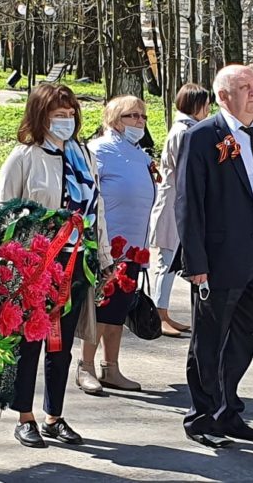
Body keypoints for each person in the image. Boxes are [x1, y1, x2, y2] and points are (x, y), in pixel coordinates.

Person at [177, 64, 253, 448]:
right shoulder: (204, 136)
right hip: (220, 258)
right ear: (223, 96)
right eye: (245, 86)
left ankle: (228, 409)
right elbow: (189, 203)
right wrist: (195, 263)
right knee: (210, 340)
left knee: (243, 338)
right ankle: (201, 416)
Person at [0, 83, 113, 448]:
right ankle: (24, 415)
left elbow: (97, 209)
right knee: (31, 341)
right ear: (40, 116)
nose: (65, 121)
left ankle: (54, 414)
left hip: (76, 263)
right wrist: (8, 265)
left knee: (60, 344)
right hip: (35, 266)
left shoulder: (83, 155)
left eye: (69, 114)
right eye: (57, 115)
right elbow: (2, 214)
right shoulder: (24, 157)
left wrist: (105, 257)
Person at [79, 95, 157, 394]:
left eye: (142, 117)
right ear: (114, 119)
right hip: (107, 243)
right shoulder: (99, 150)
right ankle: (85, 366)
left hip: (134, 244)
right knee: (100, 308)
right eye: (132, 116)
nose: (140, 122)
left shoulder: (140, 154)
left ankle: (111, 367)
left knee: (119, 310)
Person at [149, 83, 212, 337]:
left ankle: (164, 313)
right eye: (206, 104)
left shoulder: (188, 129)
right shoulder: (183, 132)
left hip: (179, 203)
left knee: (173, 261)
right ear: (195, 105)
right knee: (166, 261)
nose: (209, 109)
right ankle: (158, 314)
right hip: (174, 204)